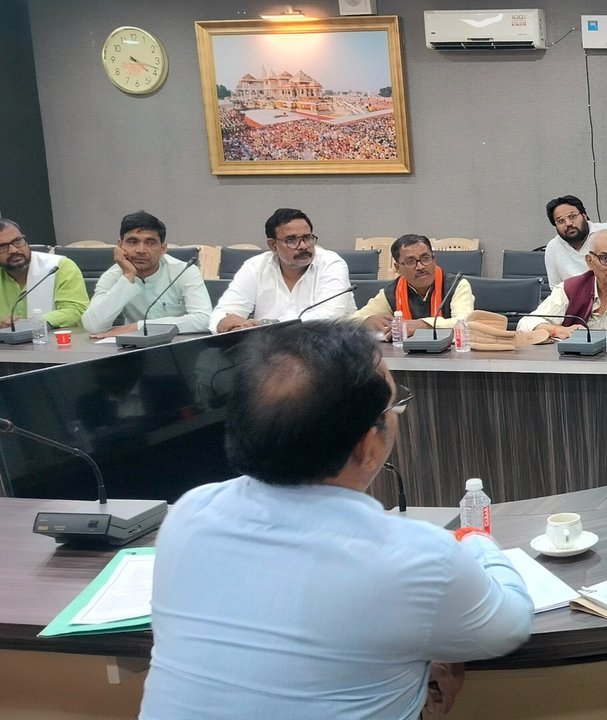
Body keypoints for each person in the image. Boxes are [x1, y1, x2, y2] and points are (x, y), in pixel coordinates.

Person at [140, 321, 534, 719]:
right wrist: (477, 541)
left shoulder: (188, 515)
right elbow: (511, 623)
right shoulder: (415, 557)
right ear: (367, 445)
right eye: (394, 406)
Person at [210, 208, 355, 332]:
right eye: (291, 240)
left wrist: (265, 325)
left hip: (326, 347)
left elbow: (328, 318)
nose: (303, 246)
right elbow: (223, 312)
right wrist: (229, 325)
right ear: (273, 245)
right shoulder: (255, 267)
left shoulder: (331, 263)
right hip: (269, 349)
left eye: (307, 238)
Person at [82, 211, 213, 338]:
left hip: (178, 344)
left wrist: (139, 326)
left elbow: (204, 319)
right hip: (133, 347)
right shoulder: (114, 274)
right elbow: (93, 325)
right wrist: (128, 276)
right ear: (120, 246)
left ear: (163, 248)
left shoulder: (184, 271)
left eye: (150, 243)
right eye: (132, 242)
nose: (141, 250)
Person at [518, 229, 607, 337]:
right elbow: (526, 324)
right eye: (605, 258)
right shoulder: (571, 288)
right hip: (577, 361)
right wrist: (558, 330)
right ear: (590, 261)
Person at [352, 234, 475, 339]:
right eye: (410, 261)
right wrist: (366, 322)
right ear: (398, 268)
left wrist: (421, 325)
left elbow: (466, 322)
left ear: (434, 260)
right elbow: (350, 321)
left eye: (425, 258)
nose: (420, 267)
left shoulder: (456, 286)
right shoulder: (391, 292)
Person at [0, 218, 89, 329]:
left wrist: (33, 323)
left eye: (18, 241)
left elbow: (77, 311)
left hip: (54, 338)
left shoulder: (59, 266)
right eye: (2, 247)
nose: (14, 250)